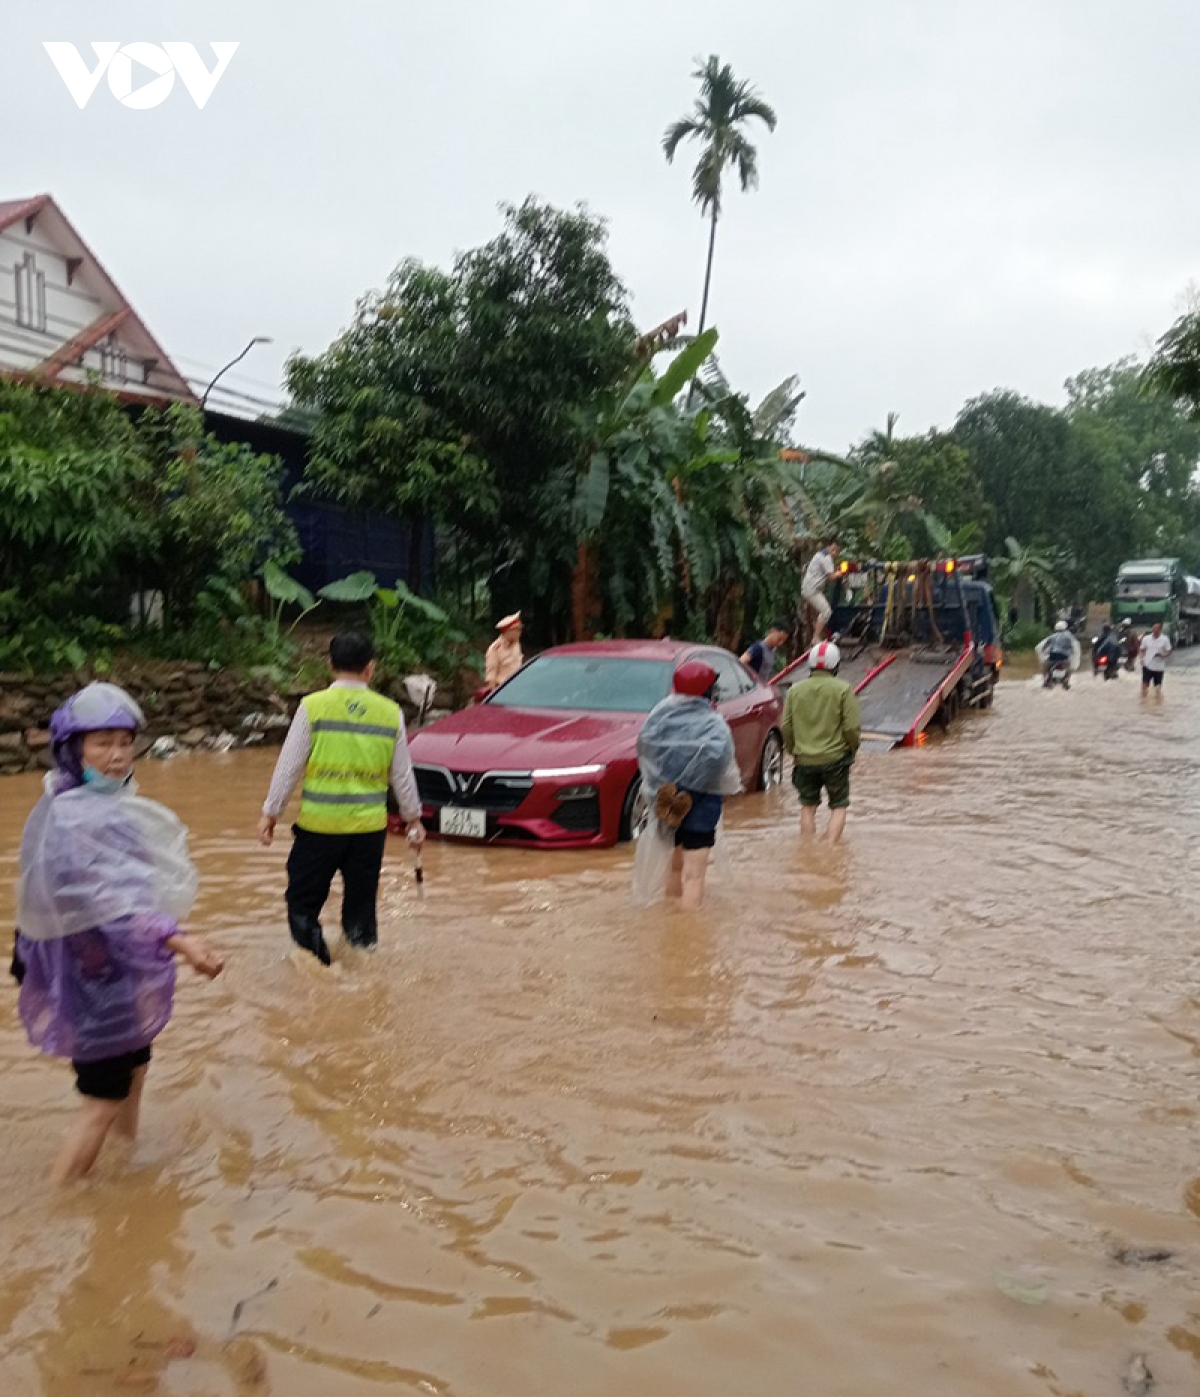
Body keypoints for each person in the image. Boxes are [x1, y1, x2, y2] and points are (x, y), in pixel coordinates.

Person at [11, 683, 223, 1185]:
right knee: (101, 1101)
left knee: (134, 1073)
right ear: (73, 750)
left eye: (125, 742)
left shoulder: (100, 806)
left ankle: (123, 1163)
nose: (116, 755)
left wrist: (174, 933)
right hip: (91, 981)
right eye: (102, 743)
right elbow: (112, 902)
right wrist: (182, 941)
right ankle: (60, 1201)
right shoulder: (71, 817)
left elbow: (135, 891)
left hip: (117, 973)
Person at [258, 632, 425, 963]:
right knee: (361, 910)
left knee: (303, 903)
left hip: (319, 829)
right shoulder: (390, 713)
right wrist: (414, 820)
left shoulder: (313, 707)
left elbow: (289, 767)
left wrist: (270, 813)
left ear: (330, 665)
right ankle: (362, 970)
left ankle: (317, 964)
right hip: (367, 833)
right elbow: (402, 775)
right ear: (370, 669)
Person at [631, 661, 742, 911]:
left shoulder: (658, 717)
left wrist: (669, 789)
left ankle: (672, 924)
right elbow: (720, 761)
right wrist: (691, 789)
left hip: (665, 803)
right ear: (706, 690)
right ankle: (688, 935)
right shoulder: (713, 724)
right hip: (700, 810)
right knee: (694, 875)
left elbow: (646, 752)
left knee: (673, 866)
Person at [781, 640, 861, 844]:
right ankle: (830, 852)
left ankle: (807, 850)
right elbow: (851, 728)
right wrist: (852, 751)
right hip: (835, 760)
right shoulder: (844, 690)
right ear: (836, 665)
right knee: (838, 806)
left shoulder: (794, 691)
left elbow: (786, 727)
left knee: (807, 807)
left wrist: (794, 752)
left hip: (804, 760)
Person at [801, 539, 841, 642]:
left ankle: (817, 636)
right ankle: (815, 637)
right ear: (828, 547)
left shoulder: (819, 554)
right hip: (811, 590)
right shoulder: (826, 558)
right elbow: (831, 577)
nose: (834, 553)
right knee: (826, 611)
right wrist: (840, 573)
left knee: (824, 612)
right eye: (833, 550)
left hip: (811, 589)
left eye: (836, 551)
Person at [483, 613, 525, 695]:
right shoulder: (495, 649)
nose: (519, 633)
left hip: (518, 690)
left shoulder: (516, 645)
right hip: (503, 691)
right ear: (508, 631)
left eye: (520, 629)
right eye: (517, 630)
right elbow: (491, 676)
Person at [740, 620, 791, 685]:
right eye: (779, 639)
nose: (780, 643)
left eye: (783, 641)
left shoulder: (773, 651)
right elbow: (741, 662)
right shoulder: (758, 648)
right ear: (772, 631)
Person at [1036, 620, 1081, 688]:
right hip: (1064, 657)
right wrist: (1075, 658)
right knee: (1070, 668)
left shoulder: (1052, 636)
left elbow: (1040, 646)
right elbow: (1075, 647)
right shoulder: (1070, 636)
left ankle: (1046, 680)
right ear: (1065, 627)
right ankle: (1066, 680)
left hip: (1052, 657)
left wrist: (1042, 655)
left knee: (1044, 667)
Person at [1138, 620, 1172, 697]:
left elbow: (1169, 651)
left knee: (1157, 688)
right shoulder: (1146, 638)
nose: (1154, 630)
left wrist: (1164, 655)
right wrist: (1141, 659)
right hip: (1147, 665)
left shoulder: (1165, 639)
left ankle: (1157, 701)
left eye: (1156, 629)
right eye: (1153, 628)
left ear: (1160, 629)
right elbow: (1141, 650)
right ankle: (1143, 700)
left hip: (1159, 667)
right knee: (1144, 685)